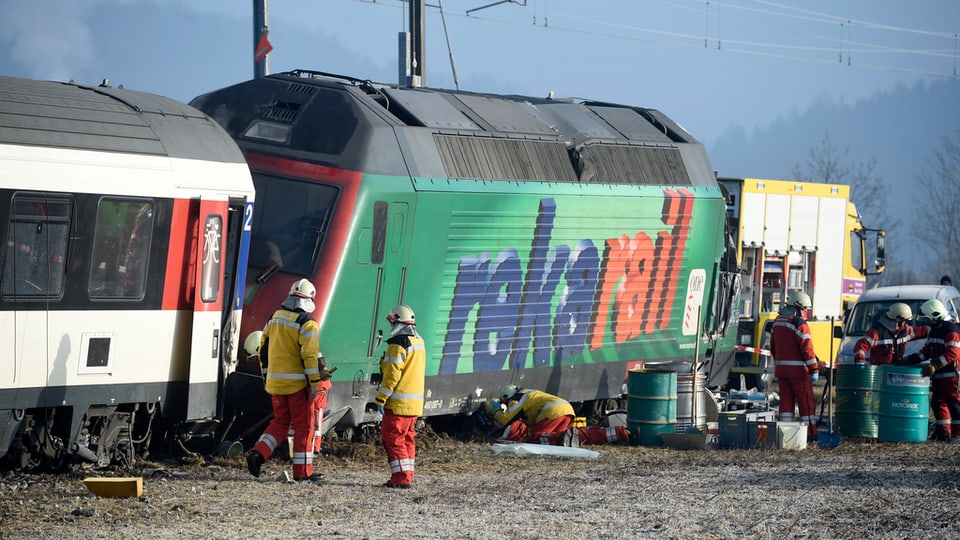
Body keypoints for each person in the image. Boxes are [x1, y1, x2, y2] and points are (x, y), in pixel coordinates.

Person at [246, 278, 324, 482]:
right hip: (297, 386)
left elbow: (263, 350)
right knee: (304, 427)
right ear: (309, 300)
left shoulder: (274, 318)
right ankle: (303, 473)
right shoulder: (307, 323)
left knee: (280, 422)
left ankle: (258, 453)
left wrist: (267, 378)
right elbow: (309, 356)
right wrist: (315, 383)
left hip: (275, 384)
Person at [374, 304, 426, 489]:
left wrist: (380, 398)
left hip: (398, 404)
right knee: (407, 439)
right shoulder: (418, 342)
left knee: (393, 438)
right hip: (414, 405)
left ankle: (401, 478)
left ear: (396, 322)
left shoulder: (397, 345)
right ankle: (407, 474)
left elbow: (391, 376)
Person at [485, 385, 630, 446]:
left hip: (552, 413)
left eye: (504, 401)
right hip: (566, 410)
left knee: (535, 438)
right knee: (577, 435)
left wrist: (494, 409)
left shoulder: (517, 398)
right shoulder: (529, 393)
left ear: (507, 397)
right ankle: (618, 433)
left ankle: (561, 438)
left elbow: (505, 419)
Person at [903, 299, 960, 442]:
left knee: (954, 404)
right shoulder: (935, 330)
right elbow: (927, 351)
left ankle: (957, 435)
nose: (926, 321)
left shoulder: (951, 331)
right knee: (937, 403)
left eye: (927, 318)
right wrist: (911, 359)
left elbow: (953, 353)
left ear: (935, 315)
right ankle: (943, 432)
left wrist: (935, 365)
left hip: (951, 375)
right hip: (939, 375)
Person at [770, 291, 820, 440]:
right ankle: (810, 435)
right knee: (806, 404)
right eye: (804, 309)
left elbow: (772, 347)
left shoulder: (777, 322)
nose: (804, 313)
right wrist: (814, 369)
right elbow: (807, 350)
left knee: (785, 405)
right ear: (798, 307)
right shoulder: (799, 324)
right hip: (799, 373)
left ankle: (784, 434)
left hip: (782, 371)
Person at [853, 303, 929, 366]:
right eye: (905, 321)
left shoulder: (905, 330)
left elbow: (922, 331)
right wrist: (859, 361)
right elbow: (861, 346)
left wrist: (935, 329)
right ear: (899, 320)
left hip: (896, 370)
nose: (905, 323)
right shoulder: (876, 332)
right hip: (879, 372)